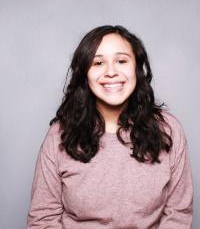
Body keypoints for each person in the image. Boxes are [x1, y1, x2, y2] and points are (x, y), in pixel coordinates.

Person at [27, 25, 193, 229]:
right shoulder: (60, 135)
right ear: (85, 74)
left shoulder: (169, 130)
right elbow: (43, 218)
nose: (111, 72)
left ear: (137, 69)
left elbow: (178, 213)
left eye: (121, 61)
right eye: (98, 63)